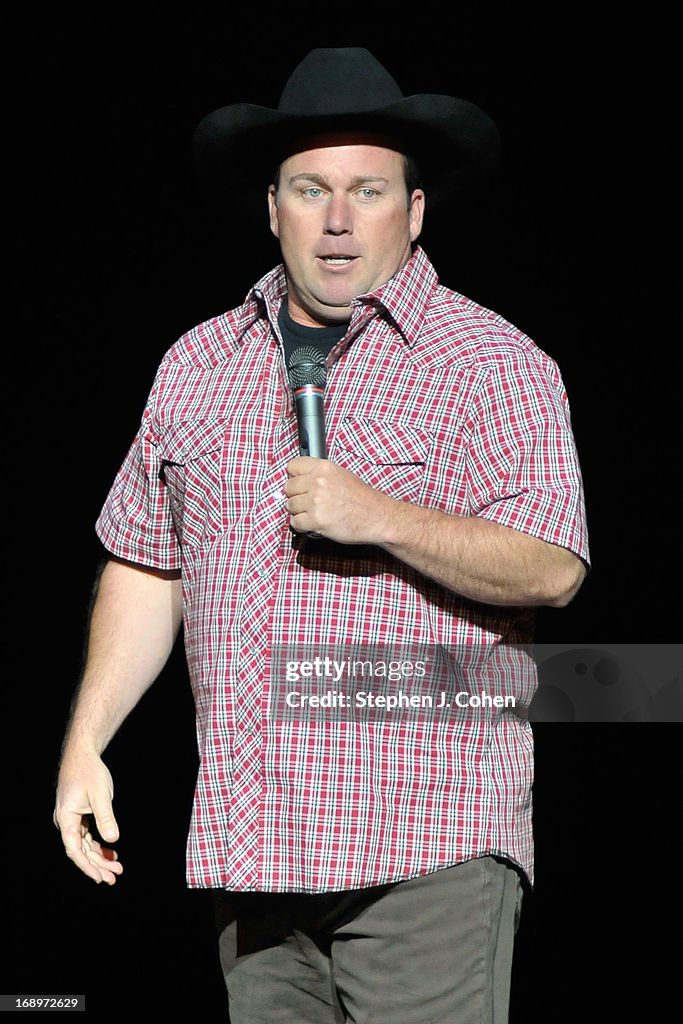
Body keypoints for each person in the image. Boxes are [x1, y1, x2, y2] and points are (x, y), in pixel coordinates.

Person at [54, 48, 589, 1023]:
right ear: (271, 207)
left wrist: (373, 516)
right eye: (310, 189)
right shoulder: (197, 365)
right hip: (253, 853)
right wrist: (86, 744)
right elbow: (144, 560)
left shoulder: (491, 364)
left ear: (414, 209)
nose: (337, 219)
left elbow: (550, 567)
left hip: (426, 846)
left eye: (366, 190)